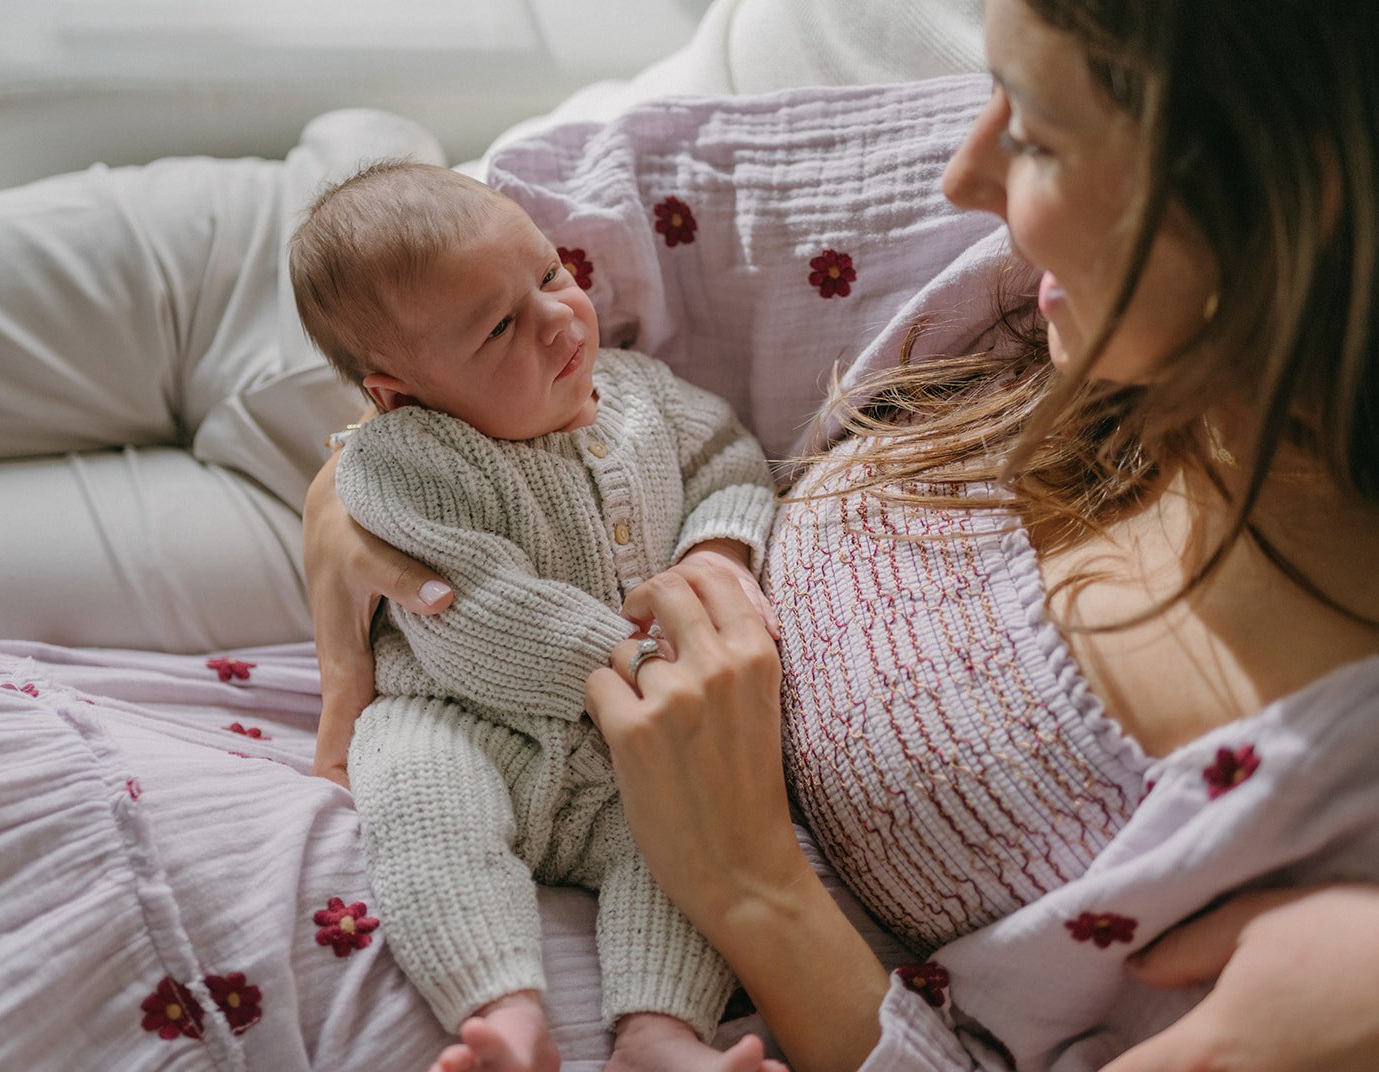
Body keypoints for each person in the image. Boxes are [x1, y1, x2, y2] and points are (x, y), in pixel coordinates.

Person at [300, 0, 1379, 1069]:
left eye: (1038, 135)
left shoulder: (1322, 835)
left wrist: (747, 879)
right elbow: (494, 245)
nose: (967, 176)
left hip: (635, 882)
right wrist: (380, 472)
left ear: (1297, 195)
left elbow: (696, 441)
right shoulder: (1053, 291)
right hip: (450, 692)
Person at [286, 160, 782, 1072]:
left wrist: (718, 551)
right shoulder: (406, 459)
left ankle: (658, 1033)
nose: (558, 318)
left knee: (691, 839)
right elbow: (472, 610)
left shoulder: (646, 395)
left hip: (629, 744)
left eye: (549, 275)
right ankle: (501, 1012)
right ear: (400, 390)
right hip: (472, 723)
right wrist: (630, 660)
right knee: (420, 800)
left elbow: (730, 460)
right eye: (500, 327)